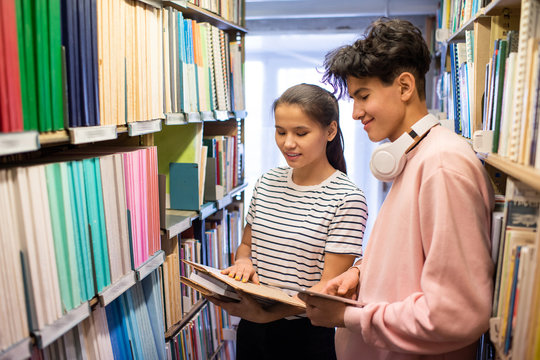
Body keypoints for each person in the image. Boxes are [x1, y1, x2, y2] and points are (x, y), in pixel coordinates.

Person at [299, 18, 495, 359]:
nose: (356, 112)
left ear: (404, 87)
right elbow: (413, 258)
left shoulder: (443, 166)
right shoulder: (416, 155)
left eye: (363, 96)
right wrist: (360, 274)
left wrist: (349, 316)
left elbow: (456, 314)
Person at [206, 83, 368, 360]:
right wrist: (243, 262)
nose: (287, 143)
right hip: (253, 326)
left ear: (330, 131)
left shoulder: (347, 198)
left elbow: (327, 290)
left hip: (307, 335)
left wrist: (267, 315)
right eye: (280, 132)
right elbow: (246, 245)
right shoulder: (267, 181)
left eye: (301, 133)